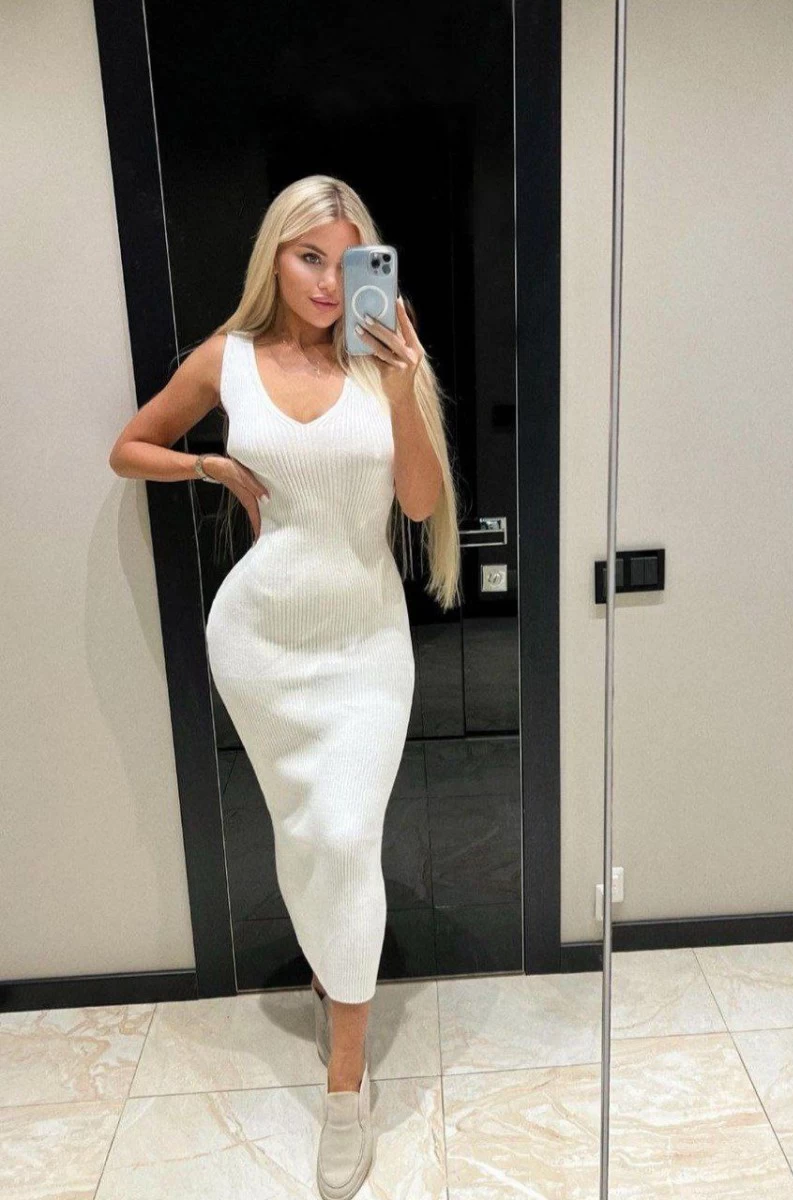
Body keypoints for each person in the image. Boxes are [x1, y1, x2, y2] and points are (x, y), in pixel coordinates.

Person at [109, 174, 462, 1198]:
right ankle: (328, 973)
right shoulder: (227, 360)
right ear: (275, 255)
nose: (326, 281)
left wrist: (403, 381)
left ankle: (345, 1088)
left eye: (346, 261)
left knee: (344, 836)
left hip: (365, 647)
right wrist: (212, 470)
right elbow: (129, 447)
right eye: (309, 256)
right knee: (305, 834)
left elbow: (418, 502)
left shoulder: (383, 362)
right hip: (259, 646)